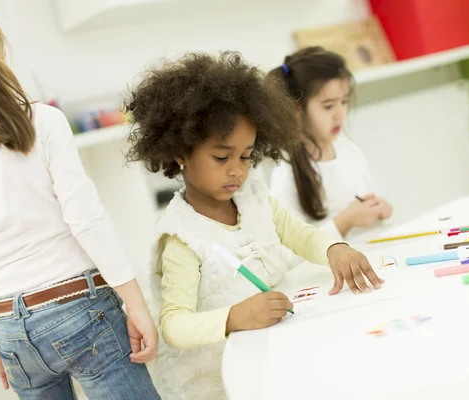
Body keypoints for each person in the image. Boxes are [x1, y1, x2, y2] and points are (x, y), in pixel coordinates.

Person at [0, 1, 159, 398]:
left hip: (7, 326)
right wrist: (135, 304)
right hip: (79, 306)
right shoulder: (41, 122)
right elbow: (87, 220)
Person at [126, 51, 384, 399]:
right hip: (215, 381)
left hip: (269, 356)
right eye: (221, 157)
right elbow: (174, 326)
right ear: (181, 152)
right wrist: (233, 317)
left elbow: (299, 234)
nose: (237, 170)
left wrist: (333, 248)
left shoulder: (253, 197)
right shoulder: (182, 238)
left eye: (246, 156)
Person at [268, 47, 392, 240]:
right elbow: (290, 253)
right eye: (328, 106)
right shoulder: (286, 174)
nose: (339, 114)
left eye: (344, 102)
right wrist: (345, 222)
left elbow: (373, 199)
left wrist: (382, 208)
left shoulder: (349, 151)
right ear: (296, 109)